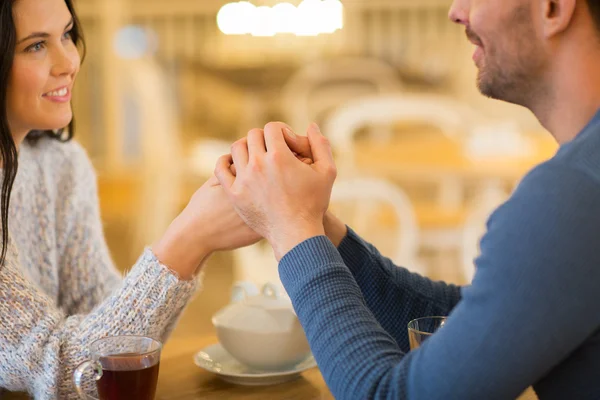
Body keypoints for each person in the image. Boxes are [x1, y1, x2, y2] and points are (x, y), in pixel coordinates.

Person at [214, 0, 600, 398]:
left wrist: (292, 229)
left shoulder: (571, 196)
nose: (456, 11)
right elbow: (479, 323)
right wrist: (317, 227)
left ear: (553, 7)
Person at [0, 0, 260, 398]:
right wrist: (188, 239)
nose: (68, 61)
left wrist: (197, 237)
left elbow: (116, 332)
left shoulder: (60, 166)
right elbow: (65, 372)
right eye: (36, 45)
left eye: (67, 34)